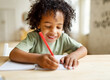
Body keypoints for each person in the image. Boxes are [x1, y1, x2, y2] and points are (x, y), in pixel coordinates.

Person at [9, 0, 87, 70]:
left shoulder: (63, 38)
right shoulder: (33, 37)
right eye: (48, 26)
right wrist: (38, 59)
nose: (53, 31)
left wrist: (74, 56)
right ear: (38, 24)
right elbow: (14, 54)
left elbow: (83, 49)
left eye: (58, 27)